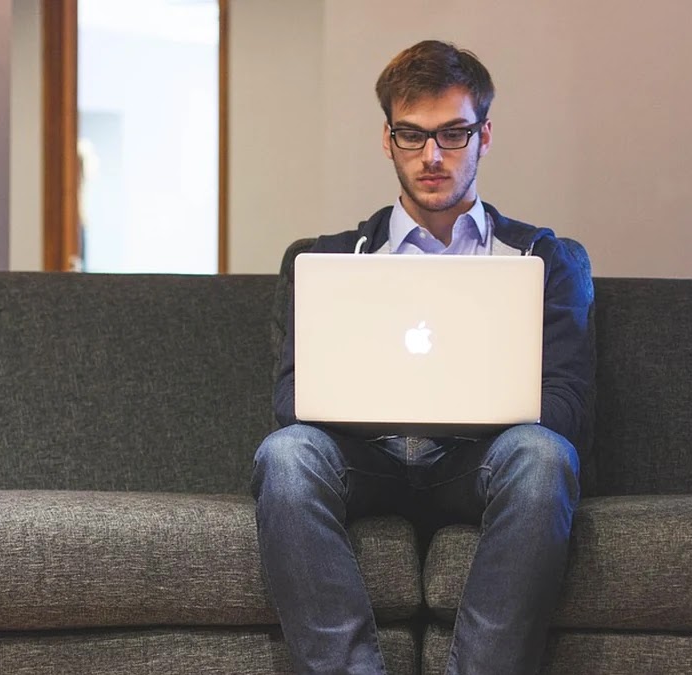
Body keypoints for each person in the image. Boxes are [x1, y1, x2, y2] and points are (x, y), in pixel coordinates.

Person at [251, 40, 595, 675]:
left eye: (453, 134)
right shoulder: (327, 260)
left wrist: (468, 410)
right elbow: (290, 400)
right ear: (388, 140)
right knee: (286, 456)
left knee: (545, 456)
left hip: (478, 464)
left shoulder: (544, 261)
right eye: (412, 135)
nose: (432, 155)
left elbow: (567, 407)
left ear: (485, 135)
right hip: (369, 459)